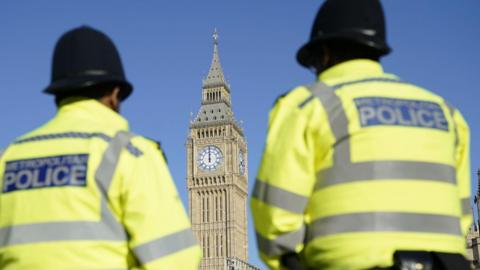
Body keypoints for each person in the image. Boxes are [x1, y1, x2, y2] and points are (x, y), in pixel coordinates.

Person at [251, 0, 471, 269]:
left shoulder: (308, 106)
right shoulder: (447, 112)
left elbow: (274, 219)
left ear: (324, 54)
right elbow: (462, 217)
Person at [0, 26, 202, 269]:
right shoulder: (130, 152)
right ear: (115, 93)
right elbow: (175, 260)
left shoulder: (9, 156)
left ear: (58, 93)